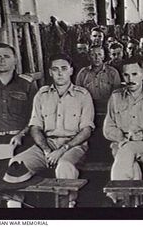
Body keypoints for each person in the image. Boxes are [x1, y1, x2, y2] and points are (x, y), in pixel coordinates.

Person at [9, 53, 95, 207]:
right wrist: (47, 150)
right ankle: (15, 212)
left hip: (74, 146)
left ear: (71, 70)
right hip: (46, 146)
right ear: (50, 72)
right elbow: (35, 126)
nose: (60, 73)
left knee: (64, 165)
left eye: (64, 68)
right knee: (16, 164)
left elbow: (86, 130)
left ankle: (68, 206)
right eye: (55, 69)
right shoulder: (42, 94)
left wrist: (62, 150)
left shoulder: (83, 95)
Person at [103, 57, 143, 206]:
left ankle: (116, 198)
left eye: (134, 74)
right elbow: (108, 129)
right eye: (126, 75)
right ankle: (134, 205)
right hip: (121, 146)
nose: (130, 79)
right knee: (131, 163)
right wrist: (122, 138)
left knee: (127, 150)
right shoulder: (116, 97)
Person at [0, 43, 37, 207]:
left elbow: (35, 117)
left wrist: (21, 134)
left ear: (15, 60)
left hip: (19, 144)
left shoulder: (27, 85)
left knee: (13, 189)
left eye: (6, 56)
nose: (2, 60)